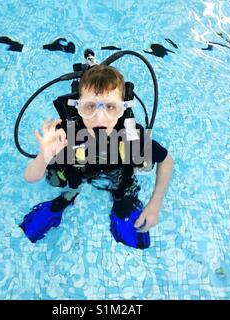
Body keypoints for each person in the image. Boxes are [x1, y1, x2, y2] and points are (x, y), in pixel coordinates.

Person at [20, 65, 174, 249]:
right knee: (62, 180)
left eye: (111, 107)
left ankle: (120, 202)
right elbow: (30, 178)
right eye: (90, 107)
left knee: (123, 190)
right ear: (78, 107)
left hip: (116, 176)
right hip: (75, 174)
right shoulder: (65, 135)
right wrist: (44, 155)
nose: (99, 118)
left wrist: (155, 203)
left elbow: (166, 160)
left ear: (123, 108)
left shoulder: (131, 136)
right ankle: (67, 197)